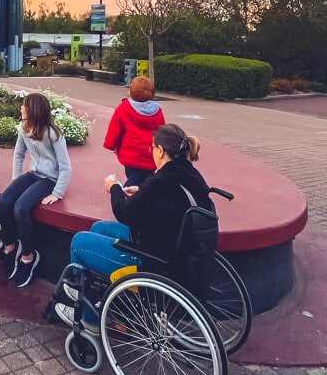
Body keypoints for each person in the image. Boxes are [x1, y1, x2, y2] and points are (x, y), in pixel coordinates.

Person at [54, 123, 211, 329]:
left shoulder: (161, 181)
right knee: (99, 228)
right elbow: (167, 204)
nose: (151, 152)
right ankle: (109, 301)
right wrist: (141, 193)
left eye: (152, 148)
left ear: (161, 151)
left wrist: (115, 189)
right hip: (175, 248)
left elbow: (125, 214)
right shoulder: (191, 176)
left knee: (79, 242)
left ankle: (89, 316)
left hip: (152, 260)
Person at [0, 92, 72, 288]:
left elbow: (66, 167)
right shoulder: (24, 129)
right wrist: (16, 181)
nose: (21, 108)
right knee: (5, 201)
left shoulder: (53, 134)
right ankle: (9, 247)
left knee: (20, 208)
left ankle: (28, 257)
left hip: (49, 179)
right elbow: (18, 154)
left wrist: (57, 193)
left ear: (33, 110)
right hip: (33, 174)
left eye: (24, 105)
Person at [102, 75, 165, 186]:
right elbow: (163, 132)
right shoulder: (157, 111)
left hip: (131, 155)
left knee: (133, 179)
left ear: (131, 92)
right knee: (149, 181)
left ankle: (126, 198)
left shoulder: (123, 108)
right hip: (152, 154)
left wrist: (111, 145)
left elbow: (114, 130)